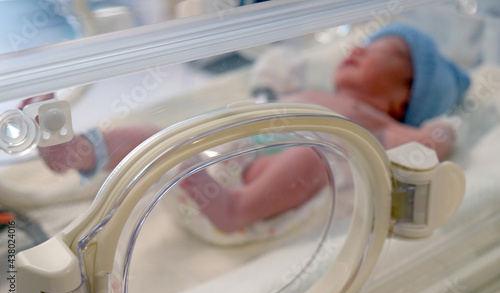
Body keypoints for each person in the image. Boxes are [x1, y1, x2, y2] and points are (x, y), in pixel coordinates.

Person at [37, 23, 470, 234]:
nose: (359, 46)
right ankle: (73, 153)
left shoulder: (379, 124)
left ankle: (235, 208)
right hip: (219, 164)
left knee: (315, 152)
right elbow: (269, 85)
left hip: (244, 197)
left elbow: (430, 144)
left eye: (384, 50)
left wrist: (441, 132)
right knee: (152, 135)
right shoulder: (318, 92)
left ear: (405, 95)